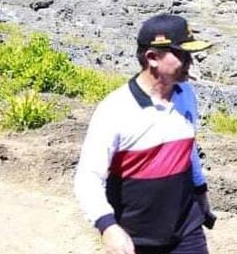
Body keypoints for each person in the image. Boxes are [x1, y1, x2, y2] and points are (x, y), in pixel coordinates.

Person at [75, 14, 215, 254]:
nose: (191, 61)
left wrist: (201, 192)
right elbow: (88, 177)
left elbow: (188, 149)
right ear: (152, 57)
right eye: (182, 54)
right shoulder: (115, 109)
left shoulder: (186, 94)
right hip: (136, 237)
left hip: (187, 229)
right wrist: (107, 226)